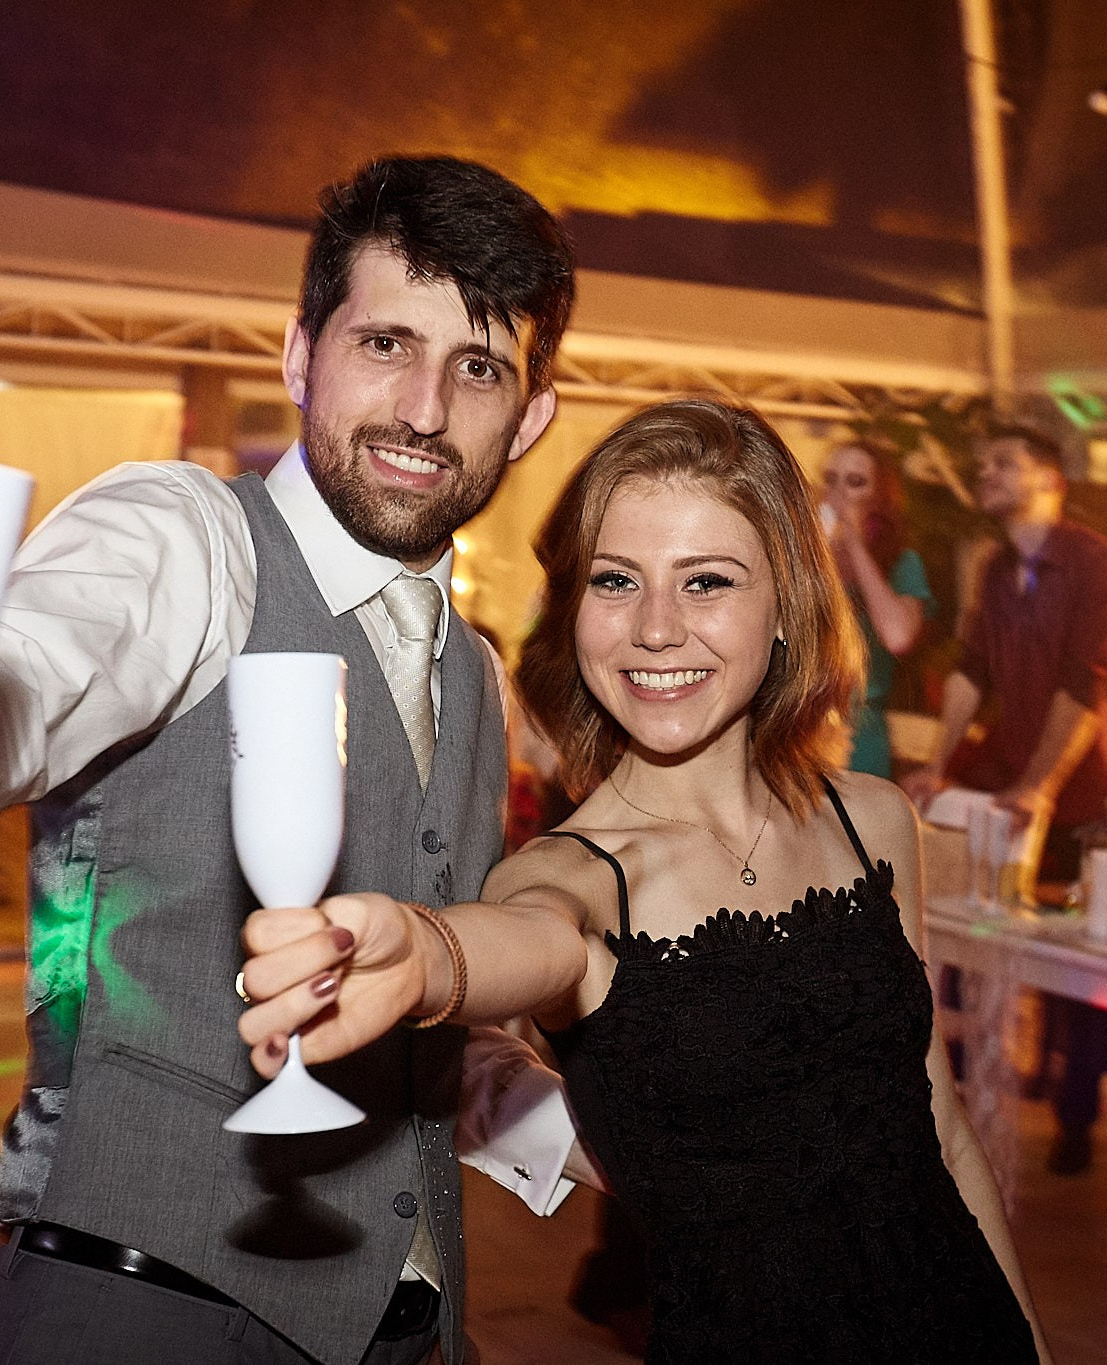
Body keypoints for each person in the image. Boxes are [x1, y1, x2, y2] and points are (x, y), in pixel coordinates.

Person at [0, 156, 575, 1364]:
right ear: (300, 356)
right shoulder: (189, 536)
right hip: (134, 1312)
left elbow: (398, 1007)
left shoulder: (472, 673)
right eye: (382, 345)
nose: (422, 408)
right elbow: (30, 656)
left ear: (528, 413)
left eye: (476, 367)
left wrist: (579, 1136)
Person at [241, 400, 1048, 1361]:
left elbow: (942, 1129)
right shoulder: (572, 875)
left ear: (786, 605)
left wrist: (1031, 1346)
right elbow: (522, 940)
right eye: (617, 581)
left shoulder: (871, 819)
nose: (656, 629)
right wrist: (421, 954)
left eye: (706, 581)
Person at [898, 422, 1107, 1175]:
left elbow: (1088, 681)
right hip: (1005, 785)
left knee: (1084, 966)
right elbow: (971, 668)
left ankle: (1075, 1116)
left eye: (1004, 463)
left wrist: (1040, 782)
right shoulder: (998, 567)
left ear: (1051, 479)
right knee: (974, 932)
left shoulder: (1097, 563)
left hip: (1086, 791)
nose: (986, 474)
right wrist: (939, 764)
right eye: (983, 464)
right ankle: (969, 1098)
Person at [820, 440, 932, 777]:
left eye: (855, 482)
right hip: (795, 727)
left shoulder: (901, 563)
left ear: (878, 500)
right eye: (831, 479)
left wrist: (853, 541)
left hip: (859, 734)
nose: (839, 491)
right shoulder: (803, 556)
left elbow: (898, 637)